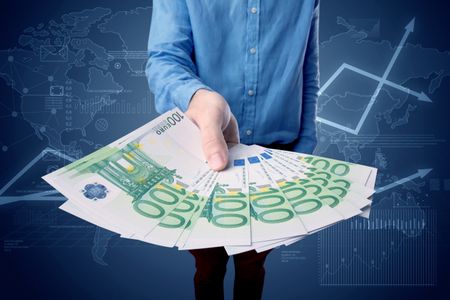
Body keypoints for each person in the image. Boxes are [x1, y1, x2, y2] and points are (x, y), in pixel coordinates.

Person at [146, 1, 320, 299]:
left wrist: (304, 151)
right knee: (207, 264)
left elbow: (308, 68)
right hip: (201, 152)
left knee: (254, 262)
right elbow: (164, 59)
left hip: (276, 158)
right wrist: (196, 97)